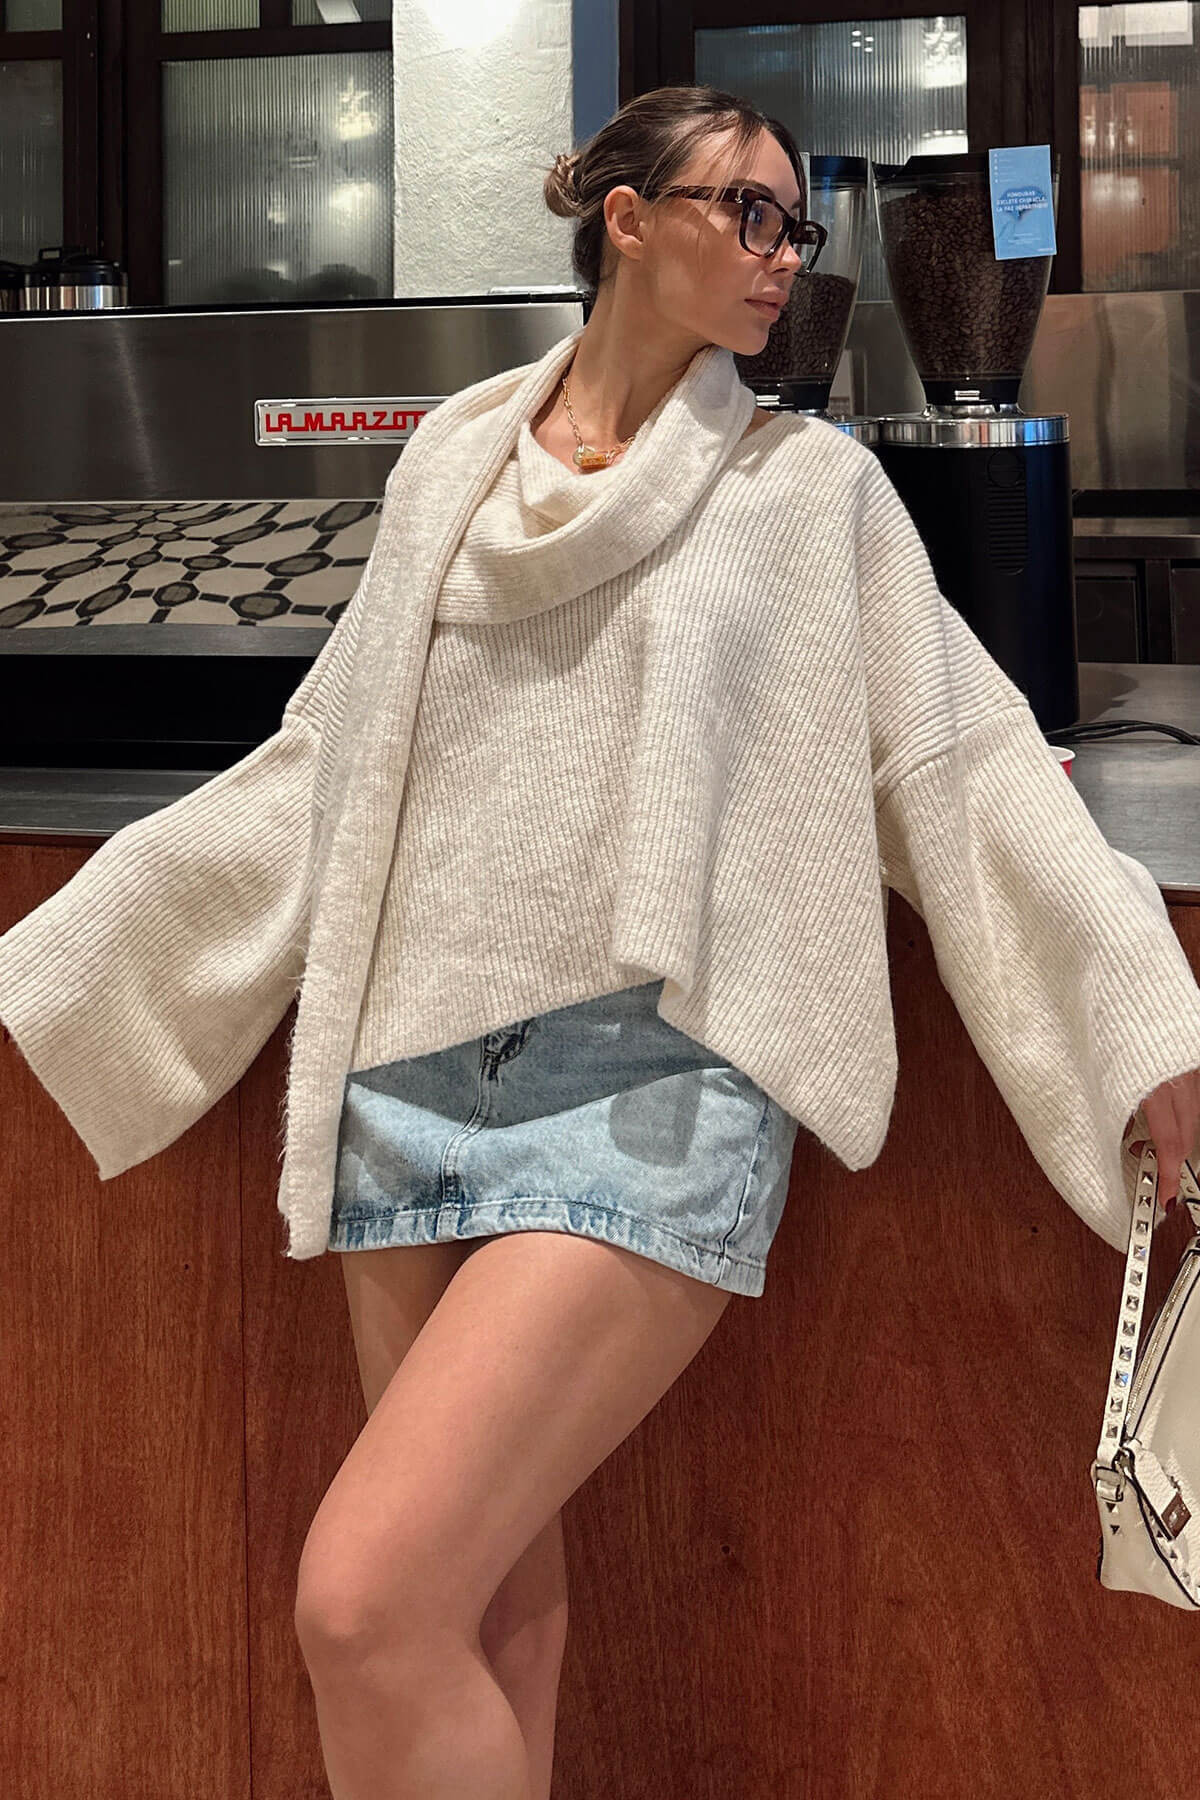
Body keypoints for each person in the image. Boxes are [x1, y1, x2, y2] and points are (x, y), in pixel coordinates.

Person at [2, 83, 1200, 1800]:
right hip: (403, 1072)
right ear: (628, 221)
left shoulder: (809, 492)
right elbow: (328, 759)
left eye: (797, 225)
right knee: (485, 1610)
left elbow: (963, 760)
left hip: (651, 1086)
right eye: (748, 212)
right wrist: (65, 953)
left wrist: (1141, 1009)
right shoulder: (452, 458)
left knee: (363, 1602)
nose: (785, 257)